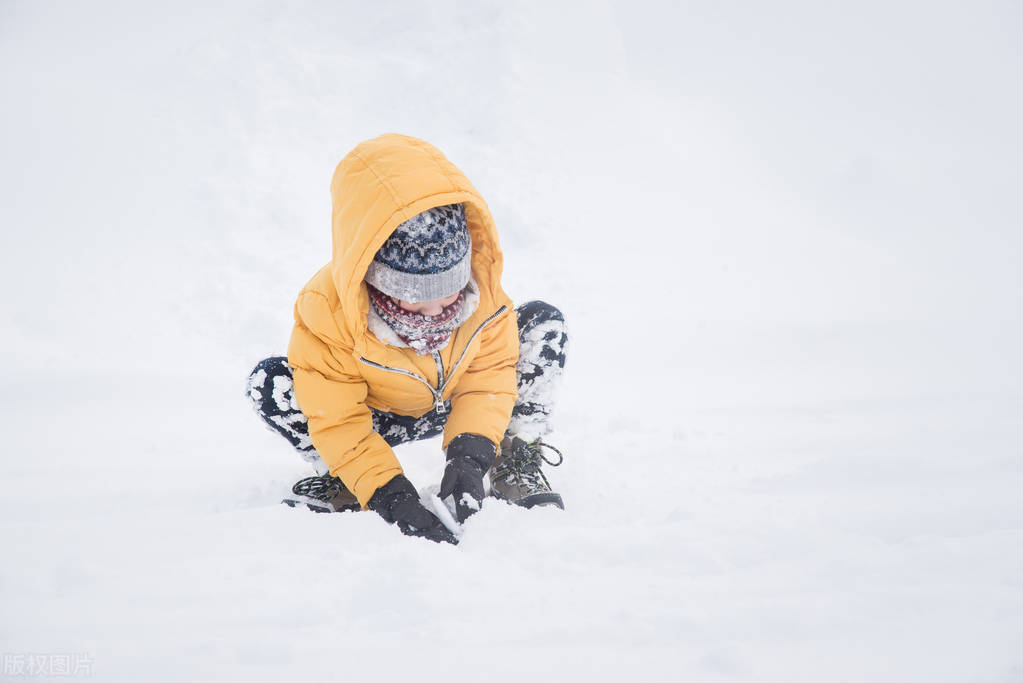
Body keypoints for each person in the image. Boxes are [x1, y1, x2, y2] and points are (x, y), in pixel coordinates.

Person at [246, 133, 568, 545]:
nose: (435, 312)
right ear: (375, 277)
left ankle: (512, 459)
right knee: (274, 384)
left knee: (542, 325)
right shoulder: (328, 312)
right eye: (415, 299)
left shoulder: (481, 292)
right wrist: (389, 494)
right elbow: (339, 420)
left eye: (448, 288)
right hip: (377, 418)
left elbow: (489, 377)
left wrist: (470, 458)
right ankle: (347, 476)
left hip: (450, 400)